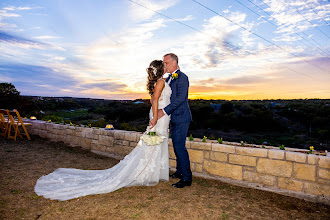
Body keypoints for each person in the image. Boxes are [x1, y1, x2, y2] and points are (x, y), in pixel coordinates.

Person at [34, 60, 172, 201]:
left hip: (160, 115)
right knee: (153, 143)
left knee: (154, 143)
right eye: (164, 65)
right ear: (161, 69)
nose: (166, 66)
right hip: (159, 116)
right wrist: (155, 118)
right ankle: (145, 173)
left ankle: (151, 172)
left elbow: (153, 99)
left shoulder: (159, 81)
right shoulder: (160, 82)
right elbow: (154, 100)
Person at [152, 53, 192, 188]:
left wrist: (163, 111)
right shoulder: (168, 78)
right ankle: (180, 172)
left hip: (181, 117)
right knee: (176, 146)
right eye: (164, 63)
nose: (164, 65)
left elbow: (180, 99)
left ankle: (187, 178)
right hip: (173, 118)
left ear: (174, 63)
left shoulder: (183, 77)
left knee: (180, 147)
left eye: (166, 63)